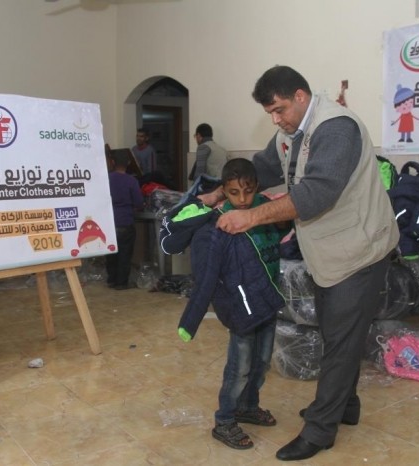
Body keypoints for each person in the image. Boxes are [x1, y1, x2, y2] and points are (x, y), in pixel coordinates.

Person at [210, 65, 400, 461]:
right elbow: (260, 169)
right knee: (337, 335)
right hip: (330, 253)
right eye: (270, 114)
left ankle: (320, 430)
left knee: (340, 342)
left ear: (301, 96)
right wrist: (217, 194)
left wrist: (251, 216)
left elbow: (316, 193)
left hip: (360, 251)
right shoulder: (289, 131)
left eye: (279, 110)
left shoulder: (336, 128)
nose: (275, 120)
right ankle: (345, 406)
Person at [159, 158, 288, 450]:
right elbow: (177, 233)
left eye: (248, 191)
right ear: (224, 191)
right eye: (233, 193)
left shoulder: (263, 210)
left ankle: (248, 406)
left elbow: (280, 232)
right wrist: (208, 199)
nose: (242, 200)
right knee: (239, 368)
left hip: (268, 299)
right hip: (240, 307)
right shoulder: (218, 222)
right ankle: (225, 420)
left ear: (257, 187)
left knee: (262, 362)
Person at [106, 150, 144, 290]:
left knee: (111, 253)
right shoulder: (131, 181)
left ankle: (111, 280)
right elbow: (139, 203)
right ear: (128, 163)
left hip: (109, 222)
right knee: (125, 253)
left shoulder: (105, 179)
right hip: (125, 222)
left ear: (112, 162)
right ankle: (121, 283)